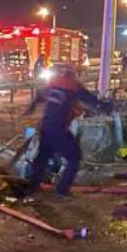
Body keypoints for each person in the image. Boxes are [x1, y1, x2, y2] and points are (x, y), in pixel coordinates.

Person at [24, 64, 105, 197]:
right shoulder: (74, 86)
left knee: (41, 158)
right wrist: (107, 106)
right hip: (59, 128)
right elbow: (92, 101)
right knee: (74, 157)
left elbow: (38, 97)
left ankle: (31, 188)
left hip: (46, 126)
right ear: (73, 75)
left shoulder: (52, 83)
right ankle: (61, 190)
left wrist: (29, 109)